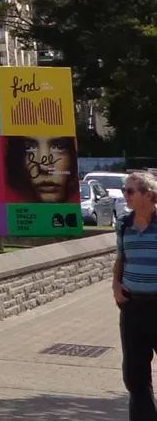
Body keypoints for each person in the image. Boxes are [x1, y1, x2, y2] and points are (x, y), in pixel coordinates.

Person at [115, 169, 157, 420]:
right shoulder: (124, 224)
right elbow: (121, 258)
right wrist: (115, 285)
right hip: (132, 309)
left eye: (130, 191)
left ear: (149, 195)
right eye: (124, 190)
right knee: (134, 375)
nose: (125, 195)